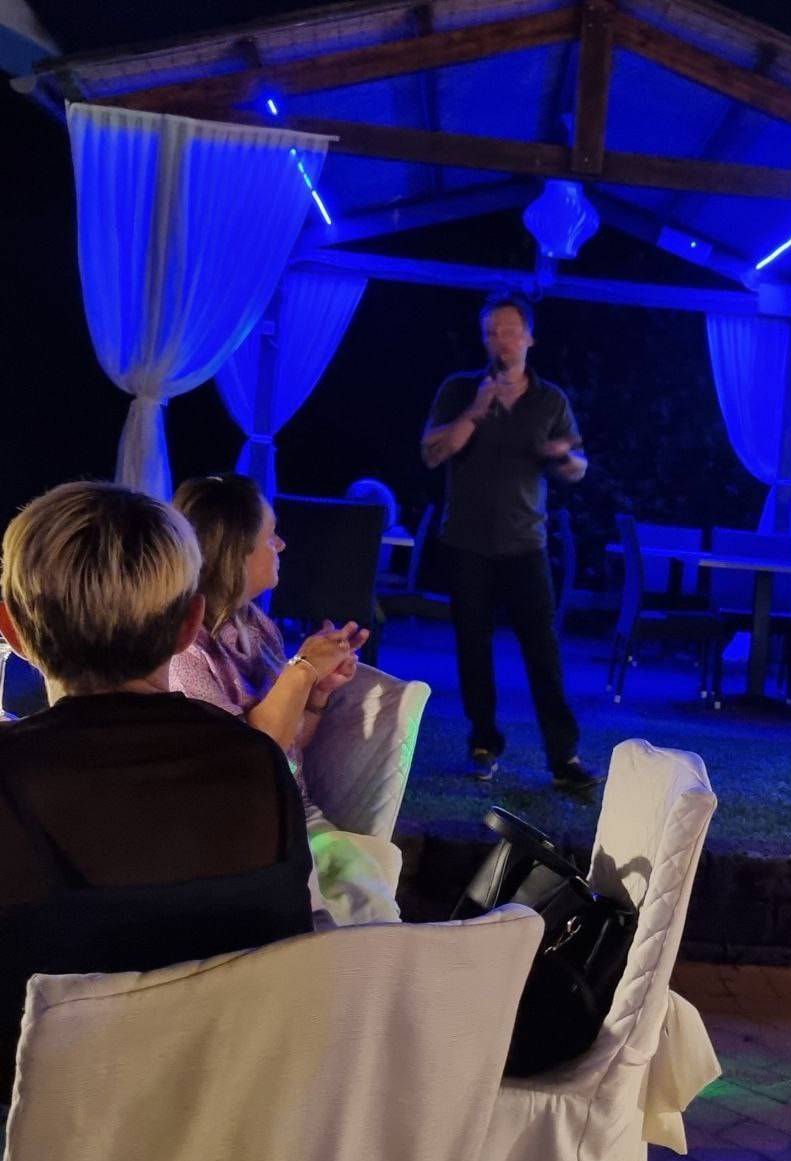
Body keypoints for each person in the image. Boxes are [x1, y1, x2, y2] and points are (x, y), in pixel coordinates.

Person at [0, 481, 314, 1101]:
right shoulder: (258, 764)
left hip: (46, 1139)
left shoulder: (12, 780)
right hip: (242, 1125)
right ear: (189, 624)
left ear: (11, 630)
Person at [169, 474, 402, 927]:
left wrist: (316, 694)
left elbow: (288, 746)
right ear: (234, 552)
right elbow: (249, 757)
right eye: (269, 536)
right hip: (239, 832)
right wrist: (303, 669)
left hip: (290, 812)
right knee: (355, 912)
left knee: (370, 901)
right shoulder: (186, 650)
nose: (281, 544)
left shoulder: (256, 626)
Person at [421, 291, 597, 792]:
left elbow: (577, 468)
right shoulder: (460, 389)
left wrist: (563, 458)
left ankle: (563, 757)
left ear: (529, 337)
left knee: (543, 651)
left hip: (525, 542)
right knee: (473, 648)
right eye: (492, 332)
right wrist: (476, 410)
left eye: (510, 331)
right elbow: (433, 454)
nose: (501, 340)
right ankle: (483, 743)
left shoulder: (550, 400)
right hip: (467, 541)